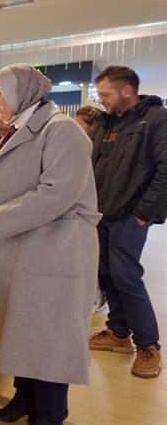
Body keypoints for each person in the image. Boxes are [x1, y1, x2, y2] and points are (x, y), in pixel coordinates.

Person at [0, 64, 100, 425]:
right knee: (25, 333)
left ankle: (50, 414)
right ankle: (24, 400)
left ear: (23, 93)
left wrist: (0, 219)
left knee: (48, 340)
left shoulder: (61, 131)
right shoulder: (23, 129)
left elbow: (58, 192)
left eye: (0, 94)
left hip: (55, 250)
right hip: (28, 246)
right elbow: (5, 189)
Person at [87, 65, 165, 379]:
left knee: (126, 277)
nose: (101, 100)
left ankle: (148, 345)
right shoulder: (105, 122)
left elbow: (165, 170)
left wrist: (143, 213)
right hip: (100, 215)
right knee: (107, 275)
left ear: (127, 91)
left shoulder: (156, 119)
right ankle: (118, 333)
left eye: (105, 94)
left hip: (129, 216)